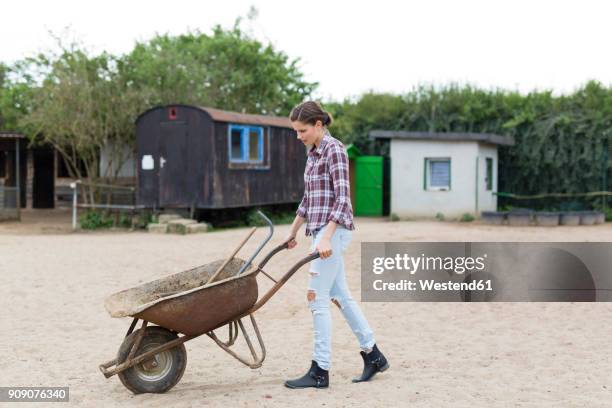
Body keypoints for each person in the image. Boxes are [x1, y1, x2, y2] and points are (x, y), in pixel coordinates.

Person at [283, 101, 389, 389]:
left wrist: (327, 237)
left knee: (315, 298)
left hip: (333, 232)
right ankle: (374, 354)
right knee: (340, 295)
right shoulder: (313, 154)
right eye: (295, 131)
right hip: (319, 231)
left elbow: (343, 200)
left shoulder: (335, 151)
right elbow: (308, 200)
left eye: (302, 130)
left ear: (319, 125)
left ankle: (320, 370)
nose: (298, 136)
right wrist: (292, 232)